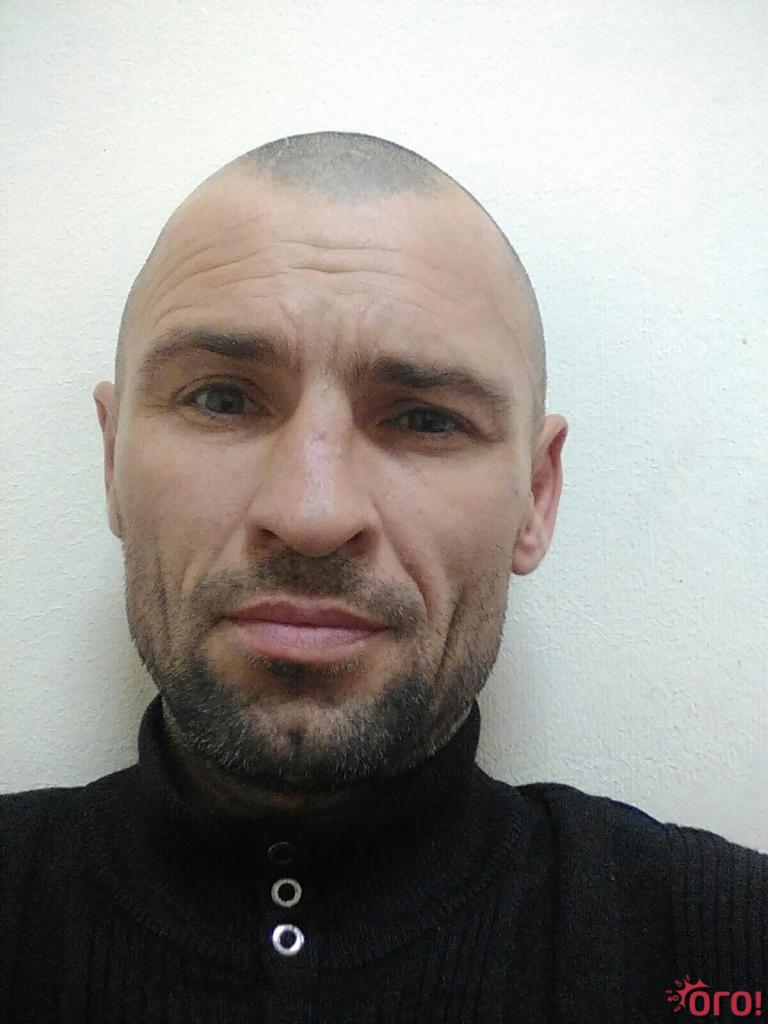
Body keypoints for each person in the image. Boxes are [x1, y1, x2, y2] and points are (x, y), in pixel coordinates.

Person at [1, 131, 765, 1023]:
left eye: (425, 419)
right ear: (112, 464)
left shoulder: (728, 947)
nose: (312, 513)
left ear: (535, 495)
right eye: (221, 398)